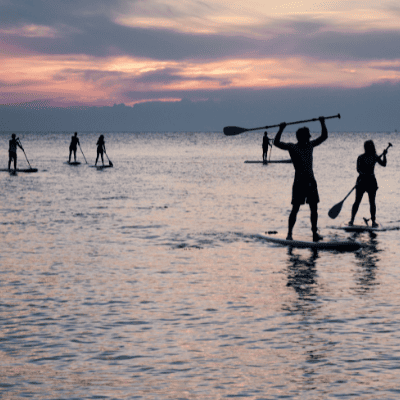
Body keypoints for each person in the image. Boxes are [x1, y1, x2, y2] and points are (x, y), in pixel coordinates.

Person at [274, 117, 327, 242]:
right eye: (307, 136)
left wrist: (322, 122)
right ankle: (289, 234)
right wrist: (281, 129)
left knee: (313, 209)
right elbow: (276, 143)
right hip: (300, 182)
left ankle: (314, 234)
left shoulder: (310, 145)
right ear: (301, 137)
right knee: (295, 208)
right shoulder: (293, 147)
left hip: (310, 181)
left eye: (308, 136)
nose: (309, 138)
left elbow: (324, 136)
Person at [348, 140, 387, 227]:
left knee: (372, 202)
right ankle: (352, 220)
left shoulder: (374, 157)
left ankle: (373, 221)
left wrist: (384, 155)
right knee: (357, 201)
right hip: (362, 181)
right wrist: (363, 174)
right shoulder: (361, 157)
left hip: (371, 182)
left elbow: (384, 164)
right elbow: (358, 169)